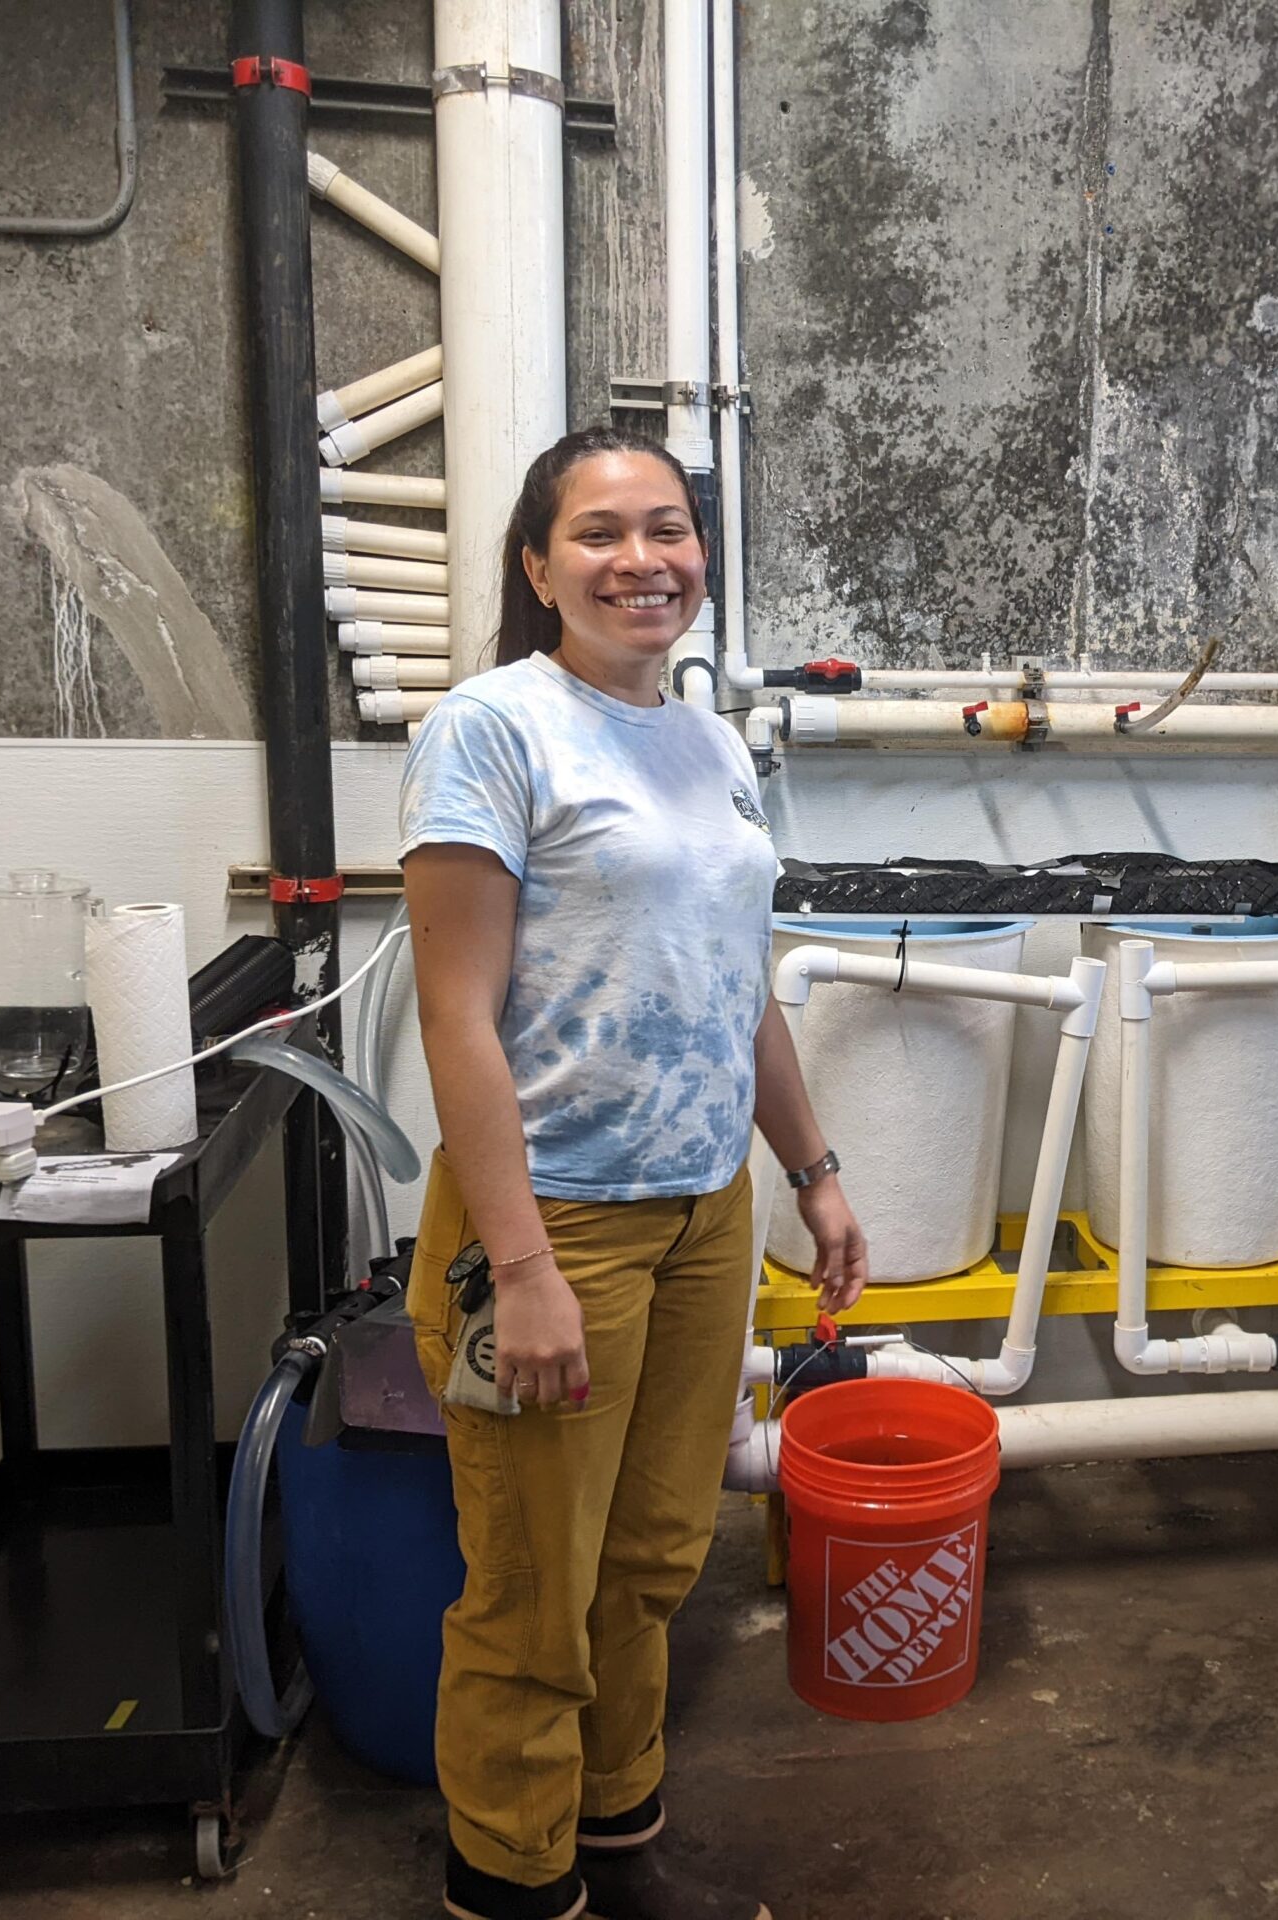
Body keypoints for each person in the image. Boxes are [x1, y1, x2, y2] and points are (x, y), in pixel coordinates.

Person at [399, 426, 869, 1920]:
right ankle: (511, 1874)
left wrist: (815, 1169)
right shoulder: (490, 728)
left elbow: (742, 982)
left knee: (659, 1550)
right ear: (538, 569)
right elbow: (453, 1015)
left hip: (703, 1208)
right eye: (599, 534)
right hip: (560, 1222)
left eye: (667, 530)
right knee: (535, 1585)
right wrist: (523, 1265)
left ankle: (611, 1815)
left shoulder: (711, 738)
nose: (641, 560)